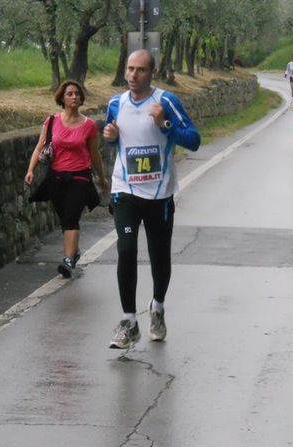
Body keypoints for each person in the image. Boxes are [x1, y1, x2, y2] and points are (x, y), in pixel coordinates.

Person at [103, 49, 200, 349]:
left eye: (140, 70)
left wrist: (165, 125)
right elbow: (114, 140)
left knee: (159, 257)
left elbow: (194, 140)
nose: (133, 75)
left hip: (159, 194)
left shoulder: (166, 102)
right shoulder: (115, 103)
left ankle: (157, 307)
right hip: (125, 191)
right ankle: (129, 320)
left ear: (152, 73)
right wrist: (110, 137)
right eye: (130, 69)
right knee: (127, 249)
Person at [25, 80, 109, 278]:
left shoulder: (89, 125)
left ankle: (68, 260)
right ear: (62, 98)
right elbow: (39, 147)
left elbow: (94, 154)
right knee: (64, 217)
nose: (74, 97)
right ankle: (74, 251)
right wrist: (30, 169)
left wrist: (102, 178)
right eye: (70, 94)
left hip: (80, 177)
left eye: (77, 94)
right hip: (56, 177)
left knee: (71, 216)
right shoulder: (51, 122)